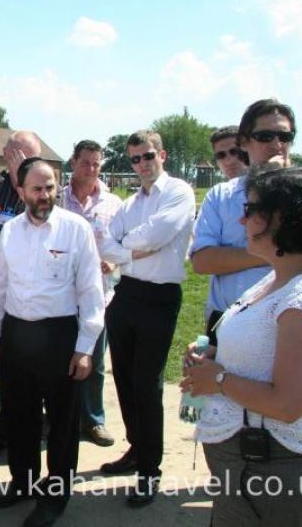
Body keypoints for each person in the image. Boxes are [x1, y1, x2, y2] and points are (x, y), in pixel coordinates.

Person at [182, 167, 302, 526]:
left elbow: (287, 404)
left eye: (252, 209)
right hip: (251, 466)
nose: (242, 218)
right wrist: (213, 357)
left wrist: (217, 379)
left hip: (280, 470)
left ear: (284, 218)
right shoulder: (278, 279)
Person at [0, 158, 104, 527]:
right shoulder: (10, 232)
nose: (44, 195)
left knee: (63, 423)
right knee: (20, 415)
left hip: (60, 337)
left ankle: (55, 495)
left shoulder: (75, 229)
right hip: (18, 336)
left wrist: (84, 348)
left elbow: (90, 292)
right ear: (20, 192)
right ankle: (22, 480)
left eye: (50, 187)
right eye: (36, 189)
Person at [97, 130, 196, 506]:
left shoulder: (179, 192)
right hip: (126, 295)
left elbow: (158, 235)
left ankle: (149, 471)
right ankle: (136, 448)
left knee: (147, 384)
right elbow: (107, 241)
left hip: (159, 297)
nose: (141, 164)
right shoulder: (130, 202)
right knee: (122, 377)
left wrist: (123, 250)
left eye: (147, 156)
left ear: (162, 155)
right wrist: (129, 250)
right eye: (135, 159)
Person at [191, 101, 296, 346]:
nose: (277, 144)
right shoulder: (221, 195)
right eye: (265, 136)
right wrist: (276, 253)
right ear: (245, 142)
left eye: (285, 136)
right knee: (216, 382)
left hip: (284, 317)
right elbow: (203, 261)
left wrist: (277, 183)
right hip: (225, 315)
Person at [0, 130, 43, 459]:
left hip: (28, 295)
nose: (21, 160)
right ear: (5, 153)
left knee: (24, 368)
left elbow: (38, 218)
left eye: (28, 156)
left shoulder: (39, 186)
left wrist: (23, 179)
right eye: (16, 154)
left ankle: (24, 428)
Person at [58, 140, 122, 447]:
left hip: (98, 294)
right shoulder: (57, 200)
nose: (92, 170)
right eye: (86, 163)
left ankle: (94, 420)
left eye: (97, 164)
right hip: (60, 295)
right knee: (59, 359)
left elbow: (126, 249)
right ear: (73, 162)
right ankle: (58, 417)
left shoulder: (113, 205)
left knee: (94, 362)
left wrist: (114, 264)